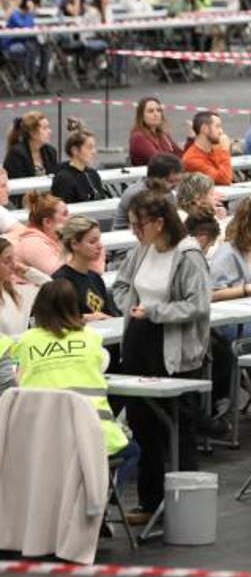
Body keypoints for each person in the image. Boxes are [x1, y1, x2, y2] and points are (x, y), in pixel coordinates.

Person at [112, 190, 211, 522]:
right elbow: (122, 286)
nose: (134, 232)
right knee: (142, 423)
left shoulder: (188, 255)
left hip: (175, 351)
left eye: (139, 225)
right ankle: (149, 501)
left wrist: (155, 311)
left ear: (158, 222)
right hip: (140, 341)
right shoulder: (141, 250)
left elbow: (198, 305)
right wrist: (134, 309)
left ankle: (187, 506)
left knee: (178, 427)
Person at [12, 280, 139, 510]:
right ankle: (103, 503)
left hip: (42, 440)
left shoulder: (26, 342)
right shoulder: (91, 340)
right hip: (94, 437)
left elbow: (18, 377)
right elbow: (102, 364)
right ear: (75, 307)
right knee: (133, 451)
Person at [52, 217, 119, 320]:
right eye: (92, 242)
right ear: (74, 244)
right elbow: (59, 319)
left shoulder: (95, 277)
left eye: (99, 240)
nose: (100, 246)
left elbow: (108, 312)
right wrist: (85, 318)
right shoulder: (60, 281)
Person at [14, 193, 69, 280]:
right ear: (47, 222)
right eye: (65, 214)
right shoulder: (33, 244)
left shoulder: (57, 239)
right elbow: (63, 277)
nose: (70, 218)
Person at [50, 127, 103, 203]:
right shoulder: (64, 179)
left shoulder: (93, 174)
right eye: (89, 147)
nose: (94, 151)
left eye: (94, 147)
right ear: (75, 150)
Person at [181, 110, 233, 186]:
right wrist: (224, 150)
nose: (221, 131)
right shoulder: (192, 159)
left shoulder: (215, 149)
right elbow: (224, 180)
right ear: (204, 129)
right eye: (217, 126)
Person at [0, 237, 40, 334]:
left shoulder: (18, 292)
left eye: (13, 258)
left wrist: (28, 272)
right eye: (7, 261)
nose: (14, 265)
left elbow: (53, 289)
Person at [128, 97, 183, 166]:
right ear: (141, 116)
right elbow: (159, 160)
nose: (156, 114)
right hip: (152, 175)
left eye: (158, 110)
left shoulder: (163, 134)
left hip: (169, 172)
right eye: (151, 111)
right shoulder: (138, 138)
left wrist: (191, 139)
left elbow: (180, 154)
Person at [4, 111, 57, 179]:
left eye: (48, 127)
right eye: (45, 128)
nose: (50, 131)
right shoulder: (16, 154)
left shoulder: (50, 152)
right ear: (33, 133)